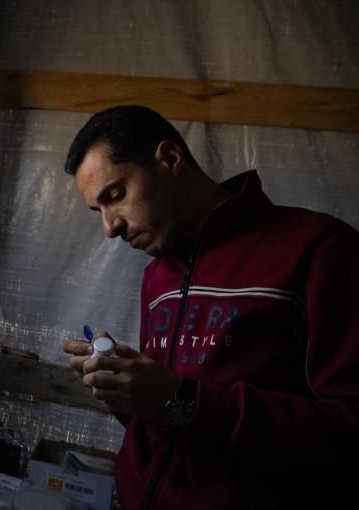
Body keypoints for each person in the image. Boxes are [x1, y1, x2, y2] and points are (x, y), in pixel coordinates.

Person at [61, 105, 358, 509]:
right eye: (99, 210)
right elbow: (172, 417)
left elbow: (349, 431)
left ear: (169, 160)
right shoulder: (158, 276)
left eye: (116, 196)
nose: (110, 227)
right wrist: (127, 388)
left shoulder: (320, 249)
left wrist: (181, 399)